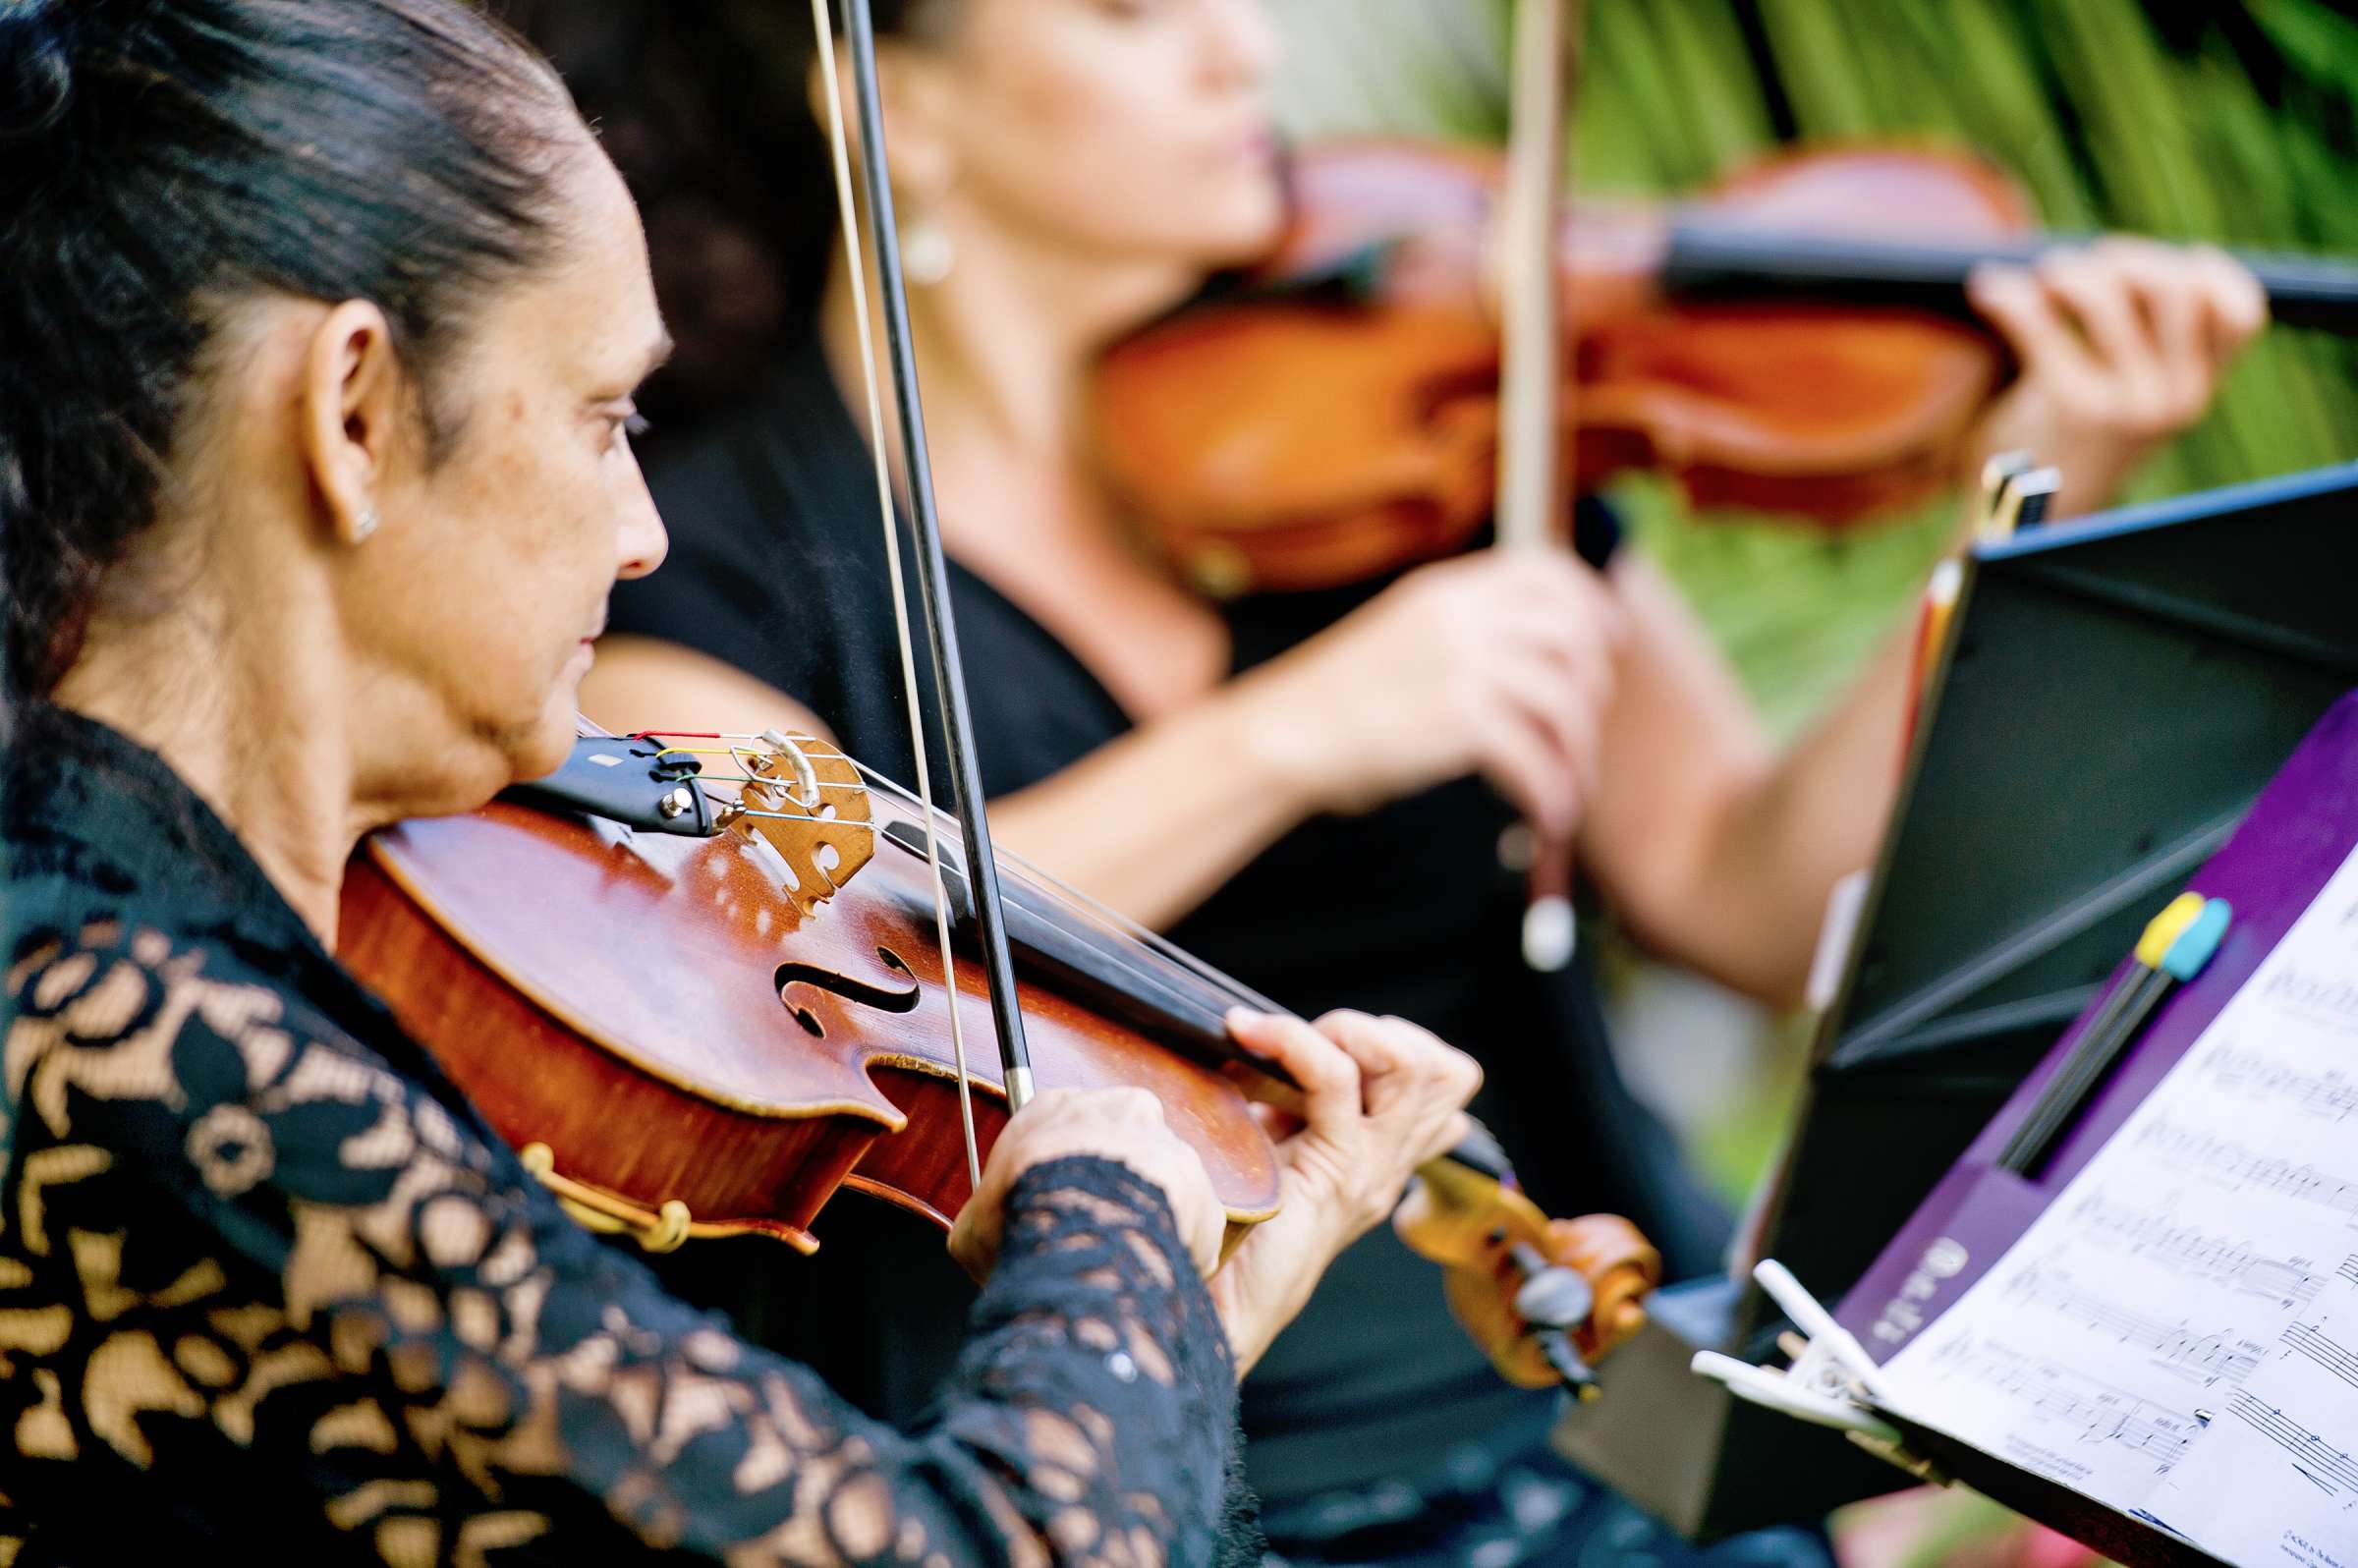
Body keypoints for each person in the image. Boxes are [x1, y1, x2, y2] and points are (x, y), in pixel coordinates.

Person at [558, 4, 2271, 1563]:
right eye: (1134, 14)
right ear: (894, 111)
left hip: (1594, 1395)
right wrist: (1287, 736)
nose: (1241, 50)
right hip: (1146, 1472)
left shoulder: (1410, 425)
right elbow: (775, 949)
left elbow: (1744, 898)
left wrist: (2051, 493)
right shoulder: (694, 558)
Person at [0, 1, 1486, 1561]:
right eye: (603, 418)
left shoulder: (127, 961)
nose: (644, 532)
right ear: (355, 414)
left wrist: (1171, 1344)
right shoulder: (133, 1032)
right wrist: (1107, 1210)